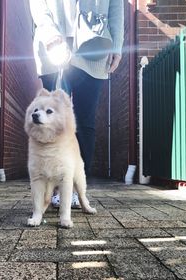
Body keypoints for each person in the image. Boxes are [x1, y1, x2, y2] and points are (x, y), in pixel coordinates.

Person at [29, 0, 124, 207]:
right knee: (51, 120)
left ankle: (72, 189)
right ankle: (52, 186)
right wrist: (49, 32)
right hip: (53, 46)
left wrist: (117, 45)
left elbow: (116, 5)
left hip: (94, 46)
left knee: (84, 121)